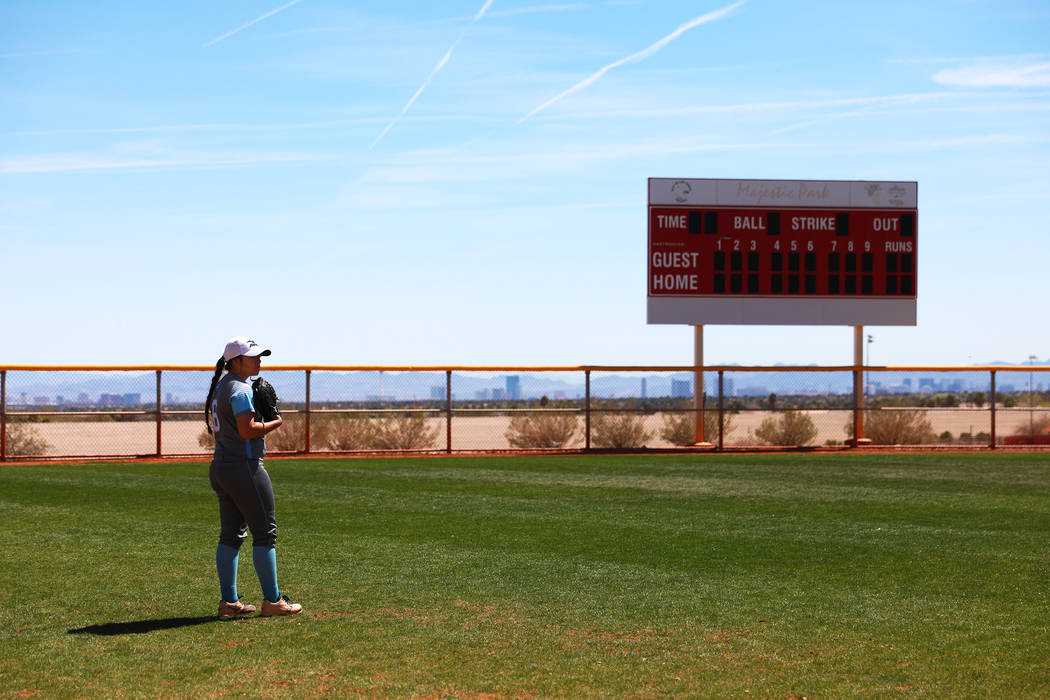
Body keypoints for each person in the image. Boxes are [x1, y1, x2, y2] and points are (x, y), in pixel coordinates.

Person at [204, 336, 303, 618]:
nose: (259, 360)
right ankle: (273, 601)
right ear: (235, 361)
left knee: (231, 535)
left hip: (222, 466)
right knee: (265, 533)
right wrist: (276, 421)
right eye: (253, 356)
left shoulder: (223, 386)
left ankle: (229, 603)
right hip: (245, 467)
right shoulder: (239, 390)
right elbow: (247, 431)